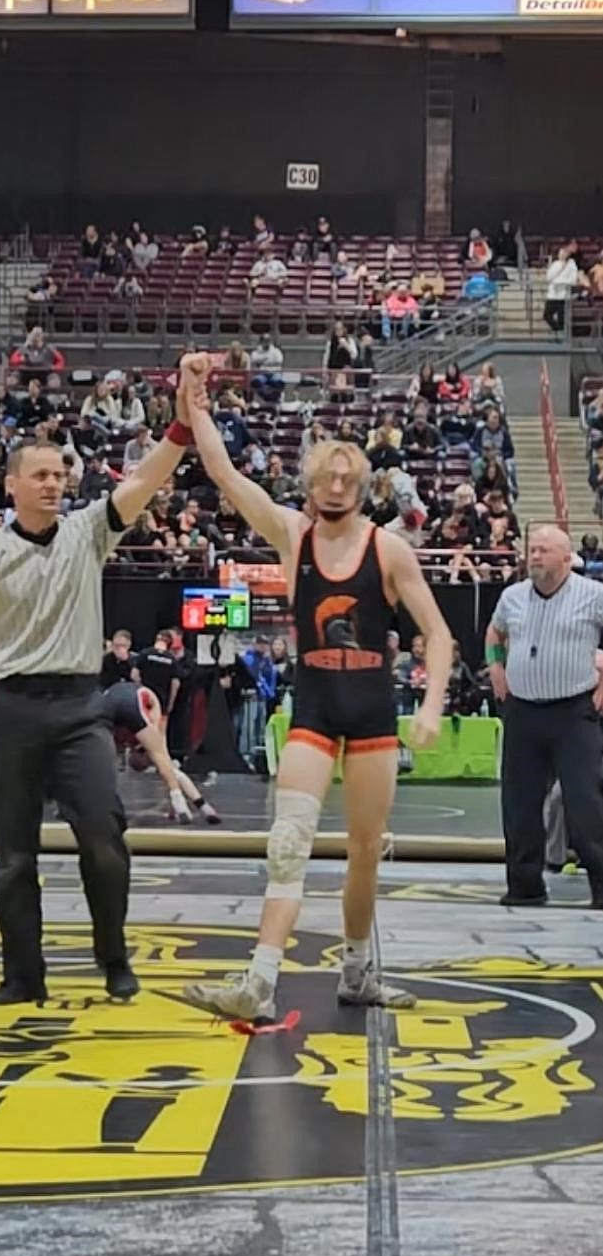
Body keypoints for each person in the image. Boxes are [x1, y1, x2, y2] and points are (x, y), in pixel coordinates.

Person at [0, 393, 200, 1005]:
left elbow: (150, 475)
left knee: (104, 838)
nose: (55, 484)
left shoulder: (89, 531)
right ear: (12, 483)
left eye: (60, 474)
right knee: (13, 857)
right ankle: (23, 974)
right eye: (42, 475)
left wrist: (182, 419)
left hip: (80, 709)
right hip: (16, 712)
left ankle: (113, 954)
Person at [178, 355, 451, 1022]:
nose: (333, 485)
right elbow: (223, 473)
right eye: (324, 476)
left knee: (364, 855)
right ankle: (259, 982)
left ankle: (356, 972)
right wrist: (194, 399)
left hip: (372, 716)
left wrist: (434, 706)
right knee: (287, 841)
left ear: (360, 484)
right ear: (308, 481)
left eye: (344, 477)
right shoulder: (292, 537)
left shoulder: (387, 551)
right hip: (315, 709)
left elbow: (439, 636)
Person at [484, 525, 603, 909]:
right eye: (532, 549)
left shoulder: (594, 595)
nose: (534, 556)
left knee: (586, 803)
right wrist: (496, 668)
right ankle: (524, 886)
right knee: (519, 804)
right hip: (522, 711)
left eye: (544, 550)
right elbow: (494, 633)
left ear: (566, 558)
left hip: (574, 712)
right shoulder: (512, 597)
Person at [102, 680, 220, 826]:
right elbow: (169, 769)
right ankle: (185, 804)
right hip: (125, 701)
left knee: (161, 761)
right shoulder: (140, 734)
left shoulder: (122, 738)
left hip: (113, 703)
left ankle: (189, 805)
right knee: (163, 760)